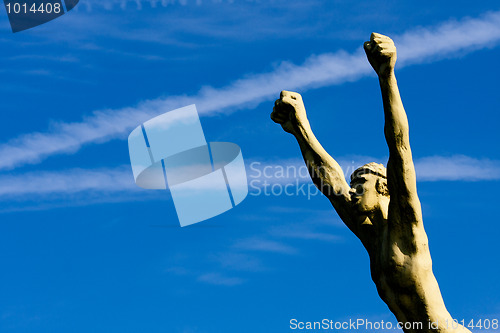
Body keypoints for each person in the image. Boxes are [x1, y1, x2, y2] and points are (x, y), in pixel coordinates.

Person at [271, 33, 470, 333]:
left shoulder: (406, 227)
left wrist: (386, 75)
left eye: (360, 183)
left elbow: (400, 147)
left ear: (382, 188)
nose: (352, 190)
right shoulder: (373, 239)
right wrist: (300, 128)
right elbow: (330, 182)